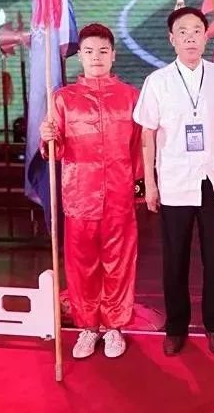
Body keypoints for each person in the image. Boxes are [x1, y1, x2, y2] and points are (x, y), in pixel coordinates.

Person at [133, 6, 214, 357]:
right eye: (183, 32)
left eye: (197, 31)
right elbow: (147, 135)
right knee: (174, 258)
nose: (190, 37)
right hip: (175, 181)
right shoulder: (157, 82)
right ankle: (176, 327)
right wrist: (150, 183)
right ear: (172, 39)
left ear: (206, 37)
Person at [39, 23, 143, 359]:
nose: (96, 57)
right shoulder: (63, 99)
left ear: (113, 55)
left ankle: (114, 327)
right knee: (82, 266)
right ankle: (88, 327)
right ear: (80, 56)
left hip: (119, 196)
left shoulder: (131, 97)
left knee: (118, 264)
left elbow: (139, 149)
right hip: (79, 196)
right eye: (88, 51)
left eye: (102, 51)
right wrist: (47, 136)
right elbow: (54, 151)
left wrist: (138, 188)